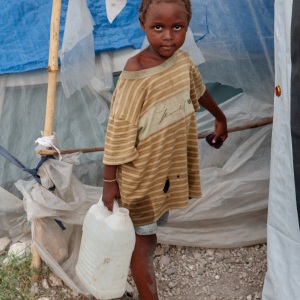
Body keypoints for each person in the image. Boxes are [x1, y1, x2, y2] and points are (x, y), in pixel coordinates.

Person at [102, 0, 228, 299]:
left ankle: (129, 273)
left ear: (188, 24)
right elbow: (118, 132)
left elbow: (198, 89)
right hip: (141, 178)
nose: (168, 36)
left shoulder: (183, 61)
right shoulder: (135, 73)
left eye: (177, 27)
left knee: (146, 236)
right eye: (158, 28)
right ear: (142, 23)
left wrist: (220, 118)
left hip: (166, 173)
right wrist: (109, 183)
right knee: (143, 244)